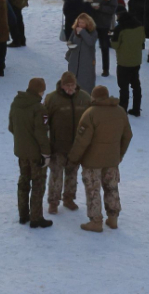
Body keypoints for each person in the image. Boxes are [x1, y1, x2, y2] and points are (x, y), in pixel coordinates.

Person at [69, 85, 133, 233]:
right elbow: (128, 135)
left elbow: (82, 141)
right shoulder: (120, 111)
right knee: (111, 187)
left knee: (93, 190)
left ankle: (96, 221)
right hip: (112, 160)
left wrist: (73, 158)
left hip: (92, 162)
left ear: (94, 97)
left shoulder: (90, 113)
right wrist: (119, 154)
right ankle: (113, 218)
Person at [44, 71, 91, 215]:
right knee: (56, 175)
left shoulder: (85, 98)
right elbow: (44, 121)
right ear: (62, 85)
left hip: (76, 146)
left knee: (72, 174)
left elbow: (91, 120)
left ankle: (69, 199)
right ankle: (53, 202)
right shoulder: (52, 98)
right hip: (57, 146)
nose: (70, 88)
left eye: (72, 85)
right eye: (67, 85)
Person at [8, 77, 52, 228]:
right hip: (36, 154)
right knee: (38, 184)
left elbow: (11, 127)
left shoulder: (16, 103)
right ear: (40, 90)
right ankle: (36, 218)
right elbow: (41, 134)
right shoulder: (39, 108)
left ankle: (23, 215)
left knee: (23, 181)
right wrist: (46, 153)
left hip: (21, 152)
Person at [110, 7, 144, 116]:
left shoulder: (120, 28)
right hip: (136, 60)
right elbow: (142, 40)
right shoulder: (139, 25)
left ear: (118, 15)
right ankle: (136, 109)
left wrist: (111, 38)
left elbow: (115, 45)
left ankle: (123, 109)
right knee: (136, 85)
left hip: (123, 62)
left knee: (123, 87)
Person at [84, 0, 117, 77]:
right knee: (89, 47)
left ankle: (105, 69)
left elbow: (113, 9)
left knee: (104, 47)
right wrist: (87, 0)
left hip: (103, 24)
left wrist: (100, 8)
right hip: (91, 23)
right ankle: (89, 68)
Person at [65, 13, 97, 84]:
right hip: (74, 59)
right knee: (72, 81)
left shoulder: (92, 32)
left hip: (86, 61)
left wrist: (82, 32)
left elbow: (90, 42)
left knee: (84, 82)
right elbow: (70, 40)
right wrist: (69, 44)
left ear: (88, 23)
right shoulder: (75, 30)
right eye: (79, 22)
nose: (80, 24)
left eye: (83, 23)